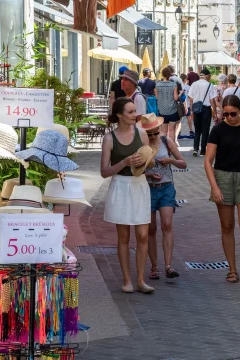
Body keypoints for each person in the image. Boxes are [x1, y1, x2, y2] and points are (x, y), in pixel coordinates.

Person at [204, 95, 240, 285]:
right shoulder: (218, 130)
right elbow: (208, 160)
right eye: (225, 114)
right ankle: (232, 269)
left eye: (232, 113)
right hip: (223, 178)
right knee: (227, 226)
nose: (228, 117)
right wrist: (214, 187)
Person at [101, 97, 154, 294]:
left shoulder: (142, 133)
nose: (135, 115)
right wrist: (124, 162)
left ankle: (141, 279)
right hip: (121, 186)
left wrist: (147, 161)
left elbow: (150, 162)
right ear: (120, 115)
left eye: (135, 111)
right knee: (123, 237)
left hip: (139, 185)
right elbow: (104, 171)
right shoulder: (109, 138)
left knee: (142, 235)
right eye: (130, 112)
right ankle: (127, 280)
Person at [141, 114, 187, 281]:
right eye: (149, 134)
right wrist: (149, 174)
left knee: (167, 224)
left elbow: (183, 163)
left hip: (167, 188)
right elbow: (135, 171)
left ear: (159, 130)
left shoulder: (167, 142)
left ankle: (168, 265)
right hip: (149, 189)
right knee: (151, 229)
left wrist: (170, 160)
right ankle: (154, 267)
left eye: (154, 133)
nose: (153, 137)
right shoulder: (141, 146)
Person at [187, 68, 214, 157]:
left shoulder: (194, 84)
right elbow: (212, 100)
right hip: (206, 109)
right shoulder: (210, 85)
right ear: (207, 76)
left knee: (197, 130)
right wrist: (215, 112)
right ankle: (203, 150)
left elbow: (191, 99)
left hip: (196, 109)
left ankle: (195, 149)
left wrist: (191, 111)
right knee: (205, 130)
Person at [155, 67, 180, 141]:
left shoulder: (157, 85)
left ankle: (164, 147)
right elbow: (175, 98)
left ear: (162, 74)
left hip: (162, 111)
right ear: (170, 75)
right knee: (172, 130)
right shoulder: (174, 84)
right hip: (172, 110)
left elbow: (157, 97)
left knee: (163, 131)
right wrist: (180, 94)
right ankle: (171, 148)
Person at [178, 73, 194, 139]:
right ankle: (191, 131)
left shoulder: (178, 86)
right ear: (185, 79)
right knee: (189, 118)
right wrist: (191, 107)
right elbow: (191, 98)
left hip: (179, 105)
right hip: (187, 104)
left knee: (179, 119)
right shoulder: (188, 87)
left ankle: (179, 132)